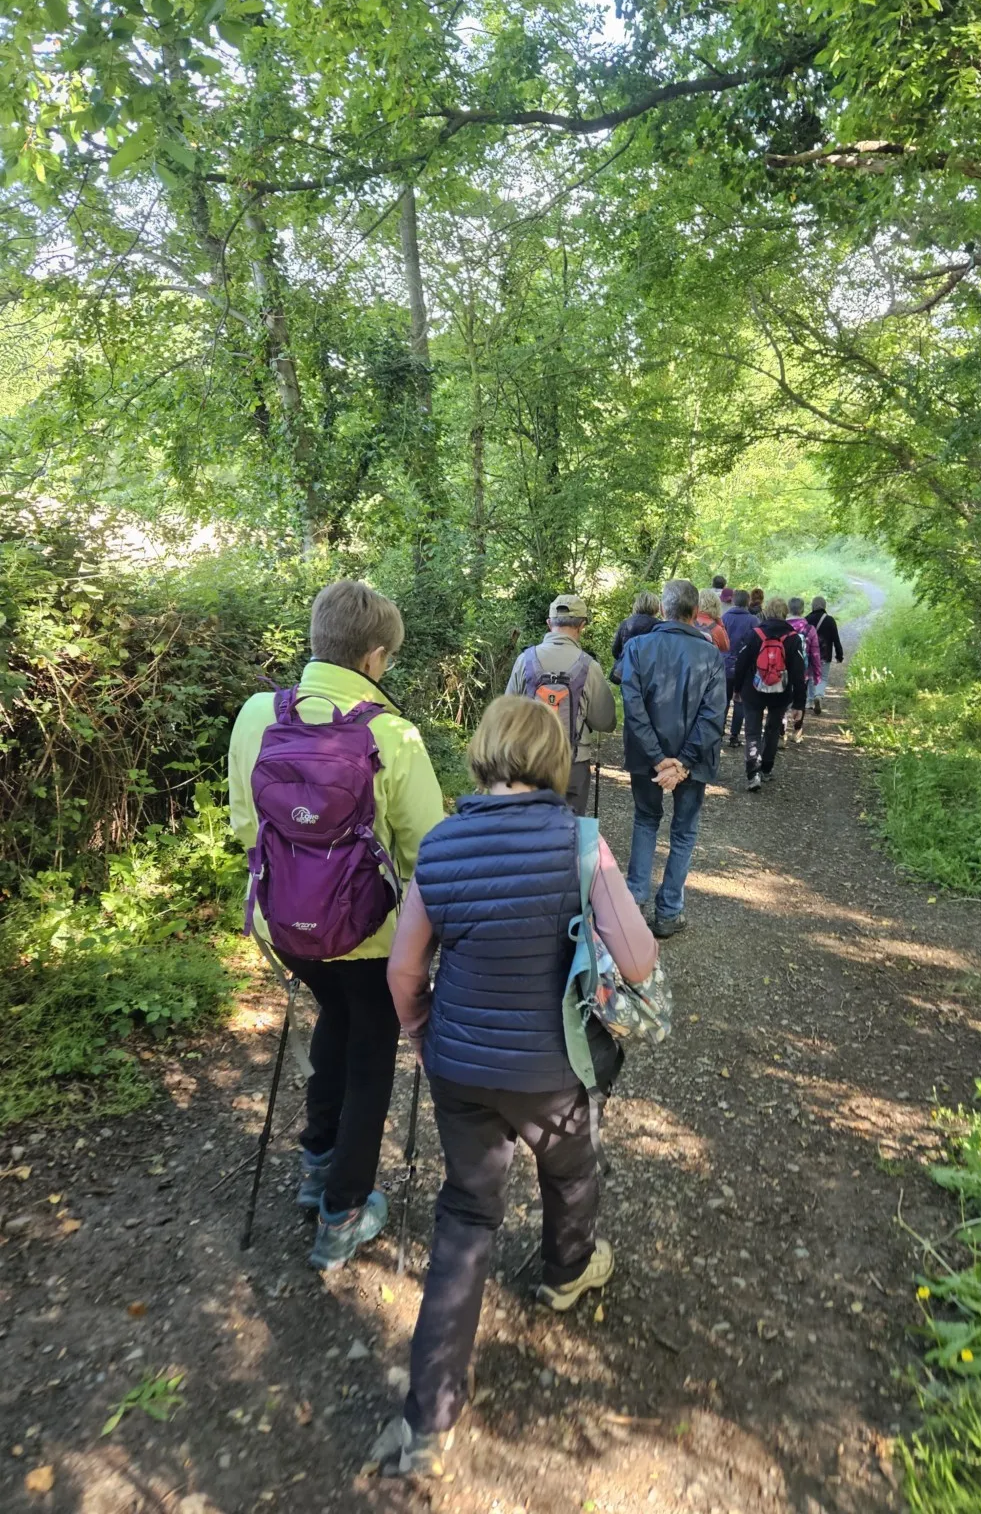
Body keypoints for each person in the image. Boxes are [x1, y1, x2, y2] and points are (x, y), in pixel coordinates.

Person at [383, 696, 657, 1476]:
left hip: (460, 1065)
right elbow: (638, 961)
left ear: (483, 753)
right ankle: (567, 1273)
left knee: (466, 1212)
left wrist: (424, 1035)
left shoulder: (440, 844)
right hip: (552, 1069)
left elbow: (404, 970)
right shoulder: (581, 844)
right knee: (570, 1169)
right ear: (553, 762)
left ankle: (428, 1418)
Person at [228, 580, 445, 1269]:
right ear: (375, 657)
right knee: (370, 1050)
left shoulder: (257, 715)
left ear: (318, 639)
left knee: (336, 1018)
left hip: (286, 928)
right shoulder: (393, 734)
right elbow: (427, 852)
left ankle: (317, 1161)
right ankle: (343, 1211)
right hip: (368, 934)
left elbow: (246, 826)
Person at [620, 578, 726, 938]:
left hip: (648, 757)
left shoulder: (637, 648)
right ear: (695, 612)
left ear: (664, 609)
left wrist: (657, 759)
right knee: (683, 832)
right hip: (693, 762)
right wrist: (682, 763)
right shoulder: (711, 655)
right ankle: (668, 912)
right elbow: (713, 716)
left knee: (646, 820)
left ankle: (634, 904)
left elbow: (633, 708)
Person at [506, 593, 616, 815]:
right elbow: (605, 722)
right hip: (572, 765)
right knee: (570, 826)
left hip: (529, 763)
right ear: (582, 625)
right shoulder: (588, 666)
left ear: (549, 623)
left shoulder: (525, 660)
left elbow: (506, 714)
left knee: (529, 824)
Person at [732, 596, 807, 791]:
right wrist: (799, 704)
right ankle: (766, 769)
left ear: (765, 612)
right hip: (780, 693)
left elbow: (740, 664)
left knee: (752, 732)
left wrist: (737, 689)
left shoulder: (754, 634)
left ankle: (753, 773)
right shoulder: (793, 638)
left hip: (753, 691)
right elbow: (799, 674)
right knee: (773, 729)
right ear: (785, 614)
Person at [721, 589, 758, 747]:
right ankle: (734, 736)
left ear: (733, 601)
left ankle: (719, 732)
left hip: (724, 666)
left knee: (723, 701)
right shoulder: (753, 621)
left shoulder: (724, 618)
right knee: (740, 701)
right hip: (745, 668)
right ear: (748, 602)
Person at [783, 597, 822, 744]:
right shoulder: (809, 629)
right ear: (803, 610)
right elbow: (815, 653)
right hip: (803, 673)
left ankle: (781, 734)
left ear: (788, 609)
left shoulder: (783, 626)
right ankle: (797, 732)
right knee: (800, 701)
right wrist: (817, 674)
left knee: (782, 702)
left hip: (782, 672)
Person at [609, 591, 660, 683]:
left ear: (637, 605)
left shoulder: (625, 624)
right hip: (651, 676)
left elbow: (615, 651)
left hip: (627, 675)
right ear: (656, 607)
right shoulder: (659, 626)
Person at [806, 595, 844, 716]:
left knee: (810, 677)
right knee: (822, 677)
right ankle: (818, 695)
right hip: (825, 655)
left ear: (812, 606)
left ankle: (810, 702)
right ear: (824, 606)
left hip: (810, 654)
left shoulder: (806, 619)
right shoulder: (829, 620)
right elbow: (836, 639)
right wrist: (839, 655)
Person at [695, 588, 731, 657]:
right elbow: (726, 647)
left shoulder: (688, 621)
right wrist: (720, 622)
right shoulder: (716, 629)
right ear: (716, 606)